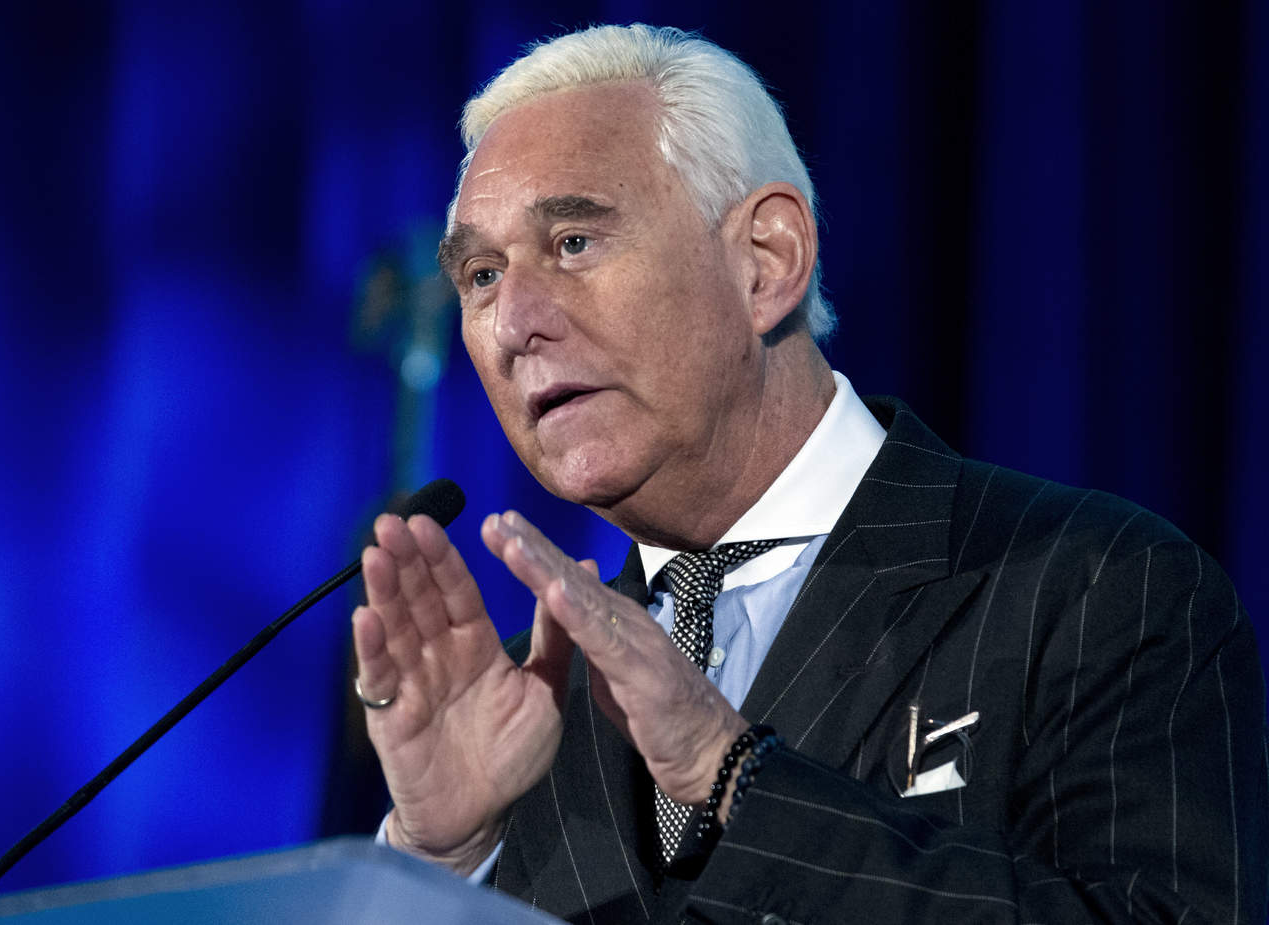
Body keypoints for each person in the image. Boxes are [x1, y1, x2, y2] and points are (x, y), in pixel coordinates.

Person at [349, 23, 1267, 924]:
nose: (514, 323)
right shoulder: (517, 713)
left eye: (574, 243)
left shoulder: (1095, 588)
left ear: (768, 261)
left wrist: (735, 773)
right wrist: (441, 864)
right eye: (481, 275)